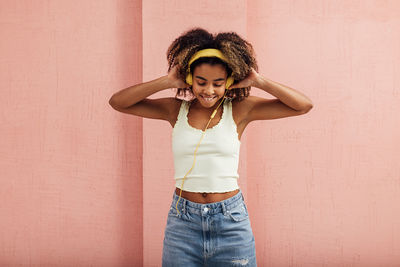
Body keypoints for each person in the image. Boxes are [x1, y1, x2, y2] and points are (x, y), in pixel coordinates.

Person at [109, 27, 313, 267]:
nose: (208, 91)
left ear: (228, 81)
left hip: (231, 221)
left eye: (218, 83)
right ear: (189, 80)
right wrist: (166, 81)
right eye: (201, 82)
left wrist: (258, 80)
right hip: (183, 221)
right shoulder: (175, 110)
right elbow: (118, 102)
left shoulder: (240, 109)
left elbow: (303, 105)